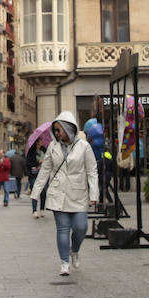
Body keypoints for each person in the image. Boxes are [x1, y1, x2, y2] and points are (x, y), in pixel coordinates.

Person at [28, 111, 98, 275]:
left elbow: (92, 171)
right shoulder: (52, 147)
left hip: (78, 192)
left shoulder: (84, 146)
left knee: (81, 227)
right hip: (58, 193)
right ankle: (64, 262)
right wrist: (36, 192)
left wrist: (94, 194)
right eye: (56, 130)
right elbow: (45, 170)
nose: (57, 133)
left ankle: (75, 250)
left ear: (69, 128)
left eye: (59, 130)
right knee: (62, 229)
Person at [25, 141, 44, 218]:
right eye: (40, 141)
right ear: (37, 142)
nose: (42, 143)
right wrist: (38, 162)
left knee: (43, 192)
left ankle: (42, 209)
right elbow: (28, 163)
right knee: (35, 191)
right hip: (34, 174)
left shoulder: (44, 151)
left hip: (43, 174)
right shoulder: (31, 152)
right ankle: (34, 211)